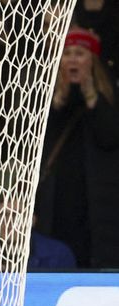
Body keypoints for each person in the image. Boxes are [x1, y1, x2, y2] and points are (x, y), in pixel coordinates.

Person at [36, 27, 119, 268]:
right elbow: (37, 136)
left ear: (92, 60)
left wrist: (91, 93)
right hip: (56, 200)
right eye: (67, 53)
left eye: (80, 53)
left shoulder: (109, 93)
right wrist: (58, 99)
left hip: (97, 201)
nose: (73, 59)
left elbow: (110, 137)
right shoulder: (45, 95)